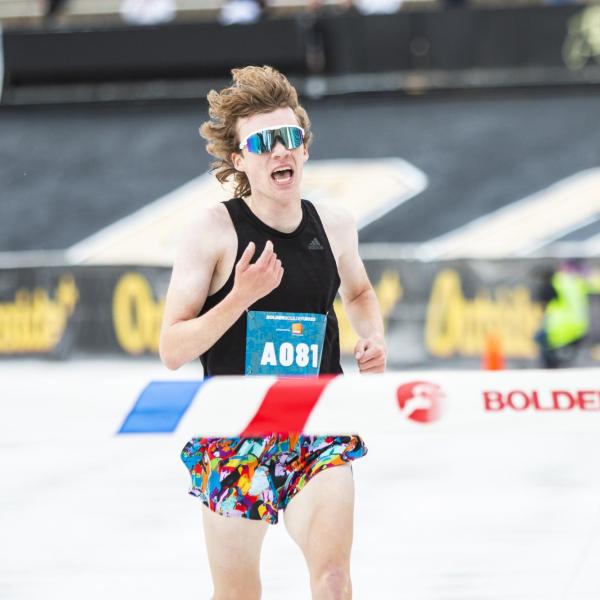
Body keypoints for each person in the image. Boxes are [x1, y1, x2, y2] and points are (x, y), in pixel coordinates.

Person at [159, 65, 387, 600]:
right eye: (263, 142)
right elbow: (172, 349)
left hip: (316, 427)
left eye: (290, 138)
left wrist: (372, 339)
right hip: (233, 433)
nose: (279, 151)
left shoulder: (334, 224)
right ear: (240, 160)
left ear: (304, 148)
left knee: (333, 581)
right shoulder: (212, 231)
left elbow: (358, 294)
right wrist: (240, 296)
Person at [534, 259, 591, 368]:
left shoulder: (555, 283)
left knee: (539, 341)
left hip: (559, 329)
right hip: (579, 328)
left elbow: (545, 301)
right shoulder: (577, 282)